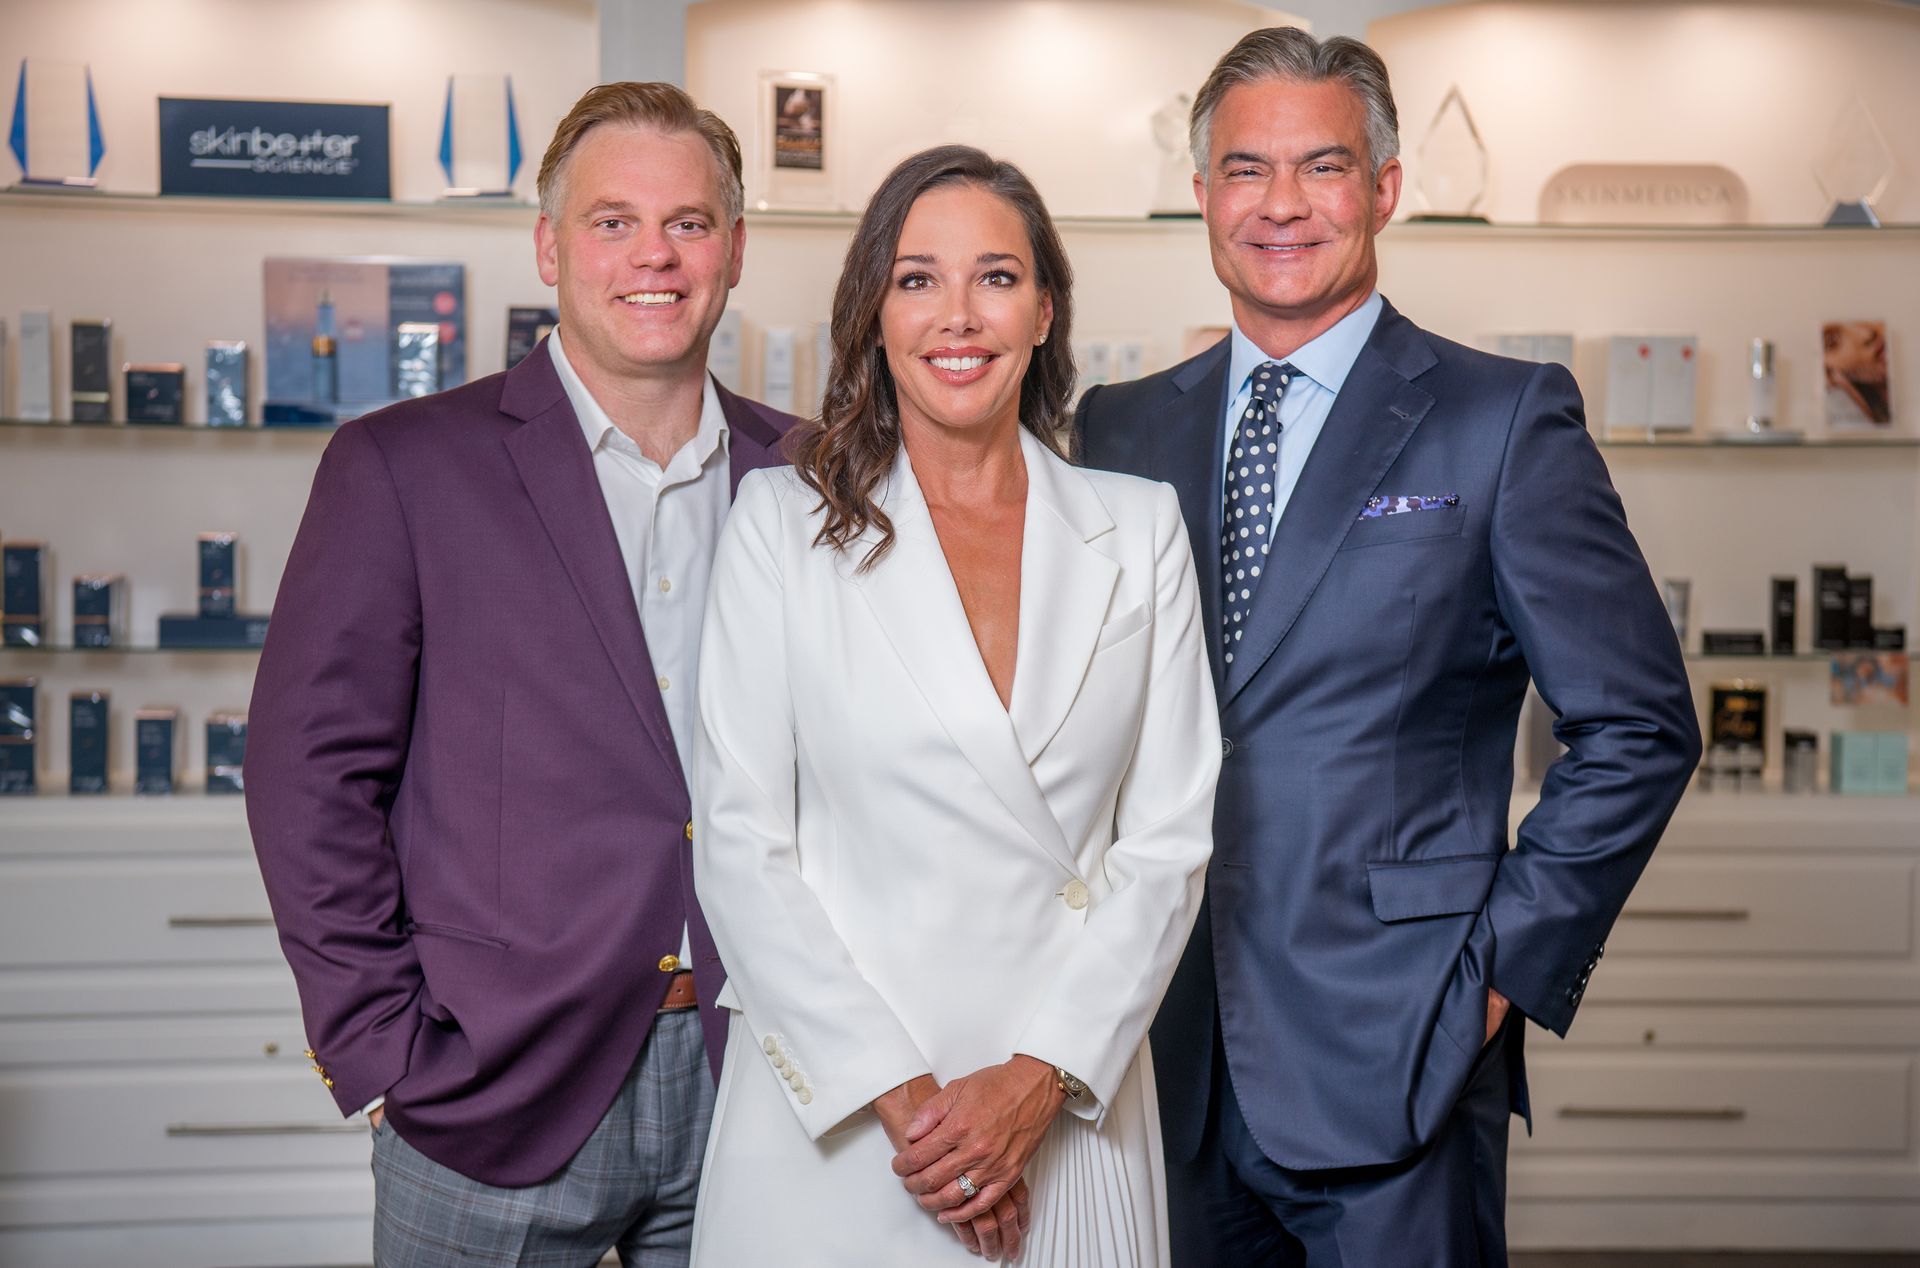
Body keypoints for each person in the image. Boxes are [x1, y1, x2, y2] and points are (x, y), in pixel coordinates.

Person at [1076, 28, 1702, 1267]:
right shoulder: (1121, 426)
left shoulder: (1503, 420)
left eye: (1324, 166)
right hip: (1165, 1053)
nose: (1283, 205)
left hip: (1402, 1048)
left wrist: (1497, 974)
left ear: (1386, 187)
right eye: (1247, 170)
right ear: (1201, 195)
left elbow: (1638, 725)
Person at [244, 82, 797, 1266]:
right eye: (612, 222)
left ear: (736, 249)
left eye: (690, 223)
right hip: (496, 1088)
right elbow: (306, 774)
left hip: (757, 1077)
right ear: (549, 245)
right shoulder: (402, 468)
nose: (654, 254)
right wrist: (385, 1047)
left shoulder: (804, 475)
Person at [688, 145, 1220, 1266]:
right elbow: (741, 845)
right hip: (853, 1115)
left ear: (1043, 312)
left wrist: (1034, 1081)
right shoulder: (780, 524)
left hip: (1067, 1091)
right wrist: (919, 1113)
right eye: (917, 278)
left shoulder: (1139, 526)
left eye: (996, 276)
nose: (957, 315)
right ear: (874, 313)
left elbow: (1169, 839)